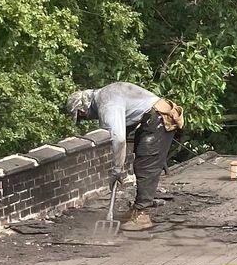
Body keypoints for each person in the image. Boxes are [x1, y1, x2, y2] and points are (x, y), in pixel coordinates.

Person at [64, 83, 184, 231]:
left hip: (159, 118)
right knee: (142, 162)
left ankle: (142, 215)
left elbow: (119, 139)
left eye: (81, 115)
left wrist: (116, 169)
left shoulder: (106, 104)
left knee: (146, 166)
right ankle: (136, 210)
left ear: (84, 107)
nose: (85, 118)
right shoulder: (105, 95)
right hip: (152, 117)